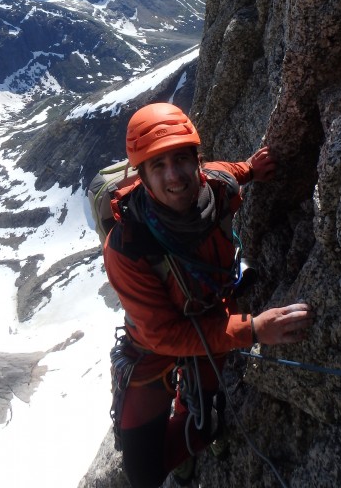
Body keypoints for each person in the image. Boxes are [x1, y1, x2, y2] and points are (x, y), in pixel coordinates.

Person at [103, 103, 313, 488]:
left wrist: (252, 168)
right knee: (143, 474)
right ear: (143, 178)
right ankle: (182, 449)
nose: (175, 177)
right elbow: (163, 335)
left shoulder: (217, 187)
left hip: (212, 315)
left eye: (182, 160)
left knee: (209, 423)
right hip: (152, 346)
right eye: (158, 166)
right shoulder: (127, 246)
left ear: (197, 162)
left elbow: (231, 172)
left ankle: (194, 427)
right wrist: (252, 330)